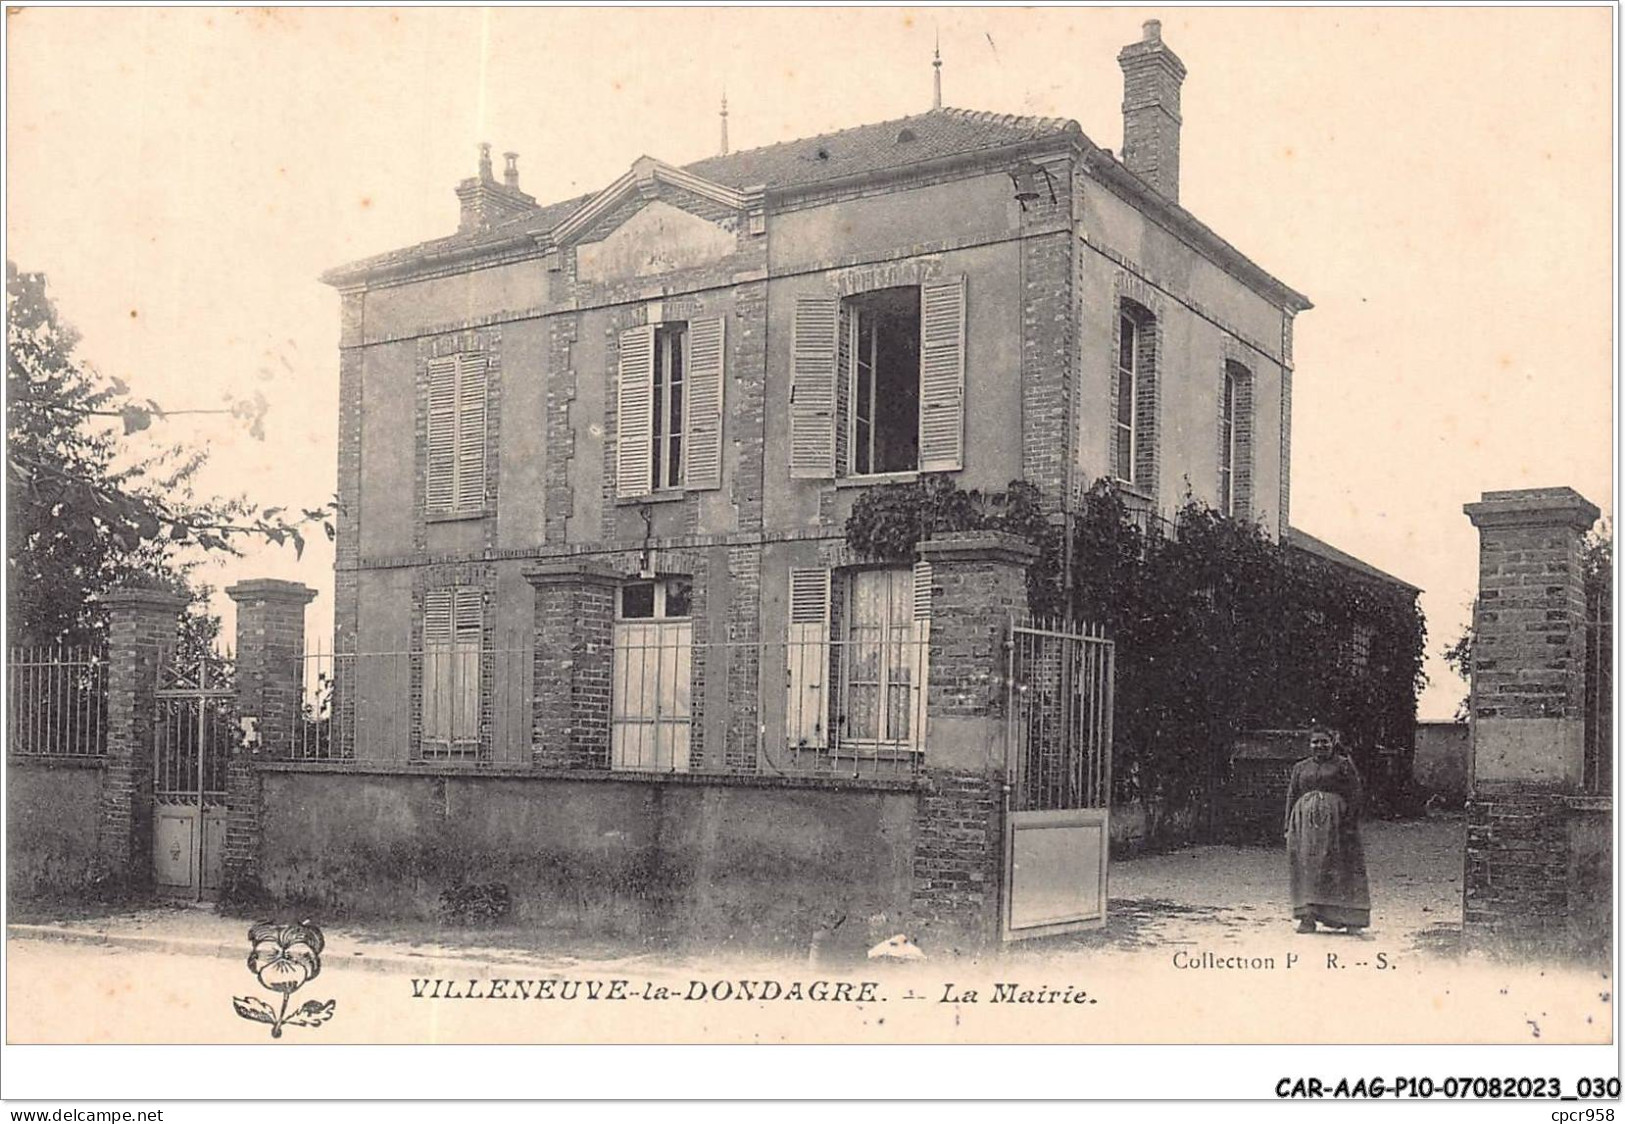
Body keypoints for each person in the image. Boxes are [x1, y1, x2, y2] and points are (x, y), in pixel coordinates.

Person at [1284, 727, 1371, 933]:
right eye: (1315, 742)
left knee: (1340, 866)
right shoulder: (1300, 767)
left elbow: (1355, 794)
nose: (1320, 746)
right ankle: (1307, 917)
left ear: (1333, 743)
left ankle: (1351, 919)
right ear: (1309, 744)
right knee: (1307, 867)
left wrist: (1349, 823)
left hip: (1337, 824)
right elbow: (1292, 795)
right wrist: (1288, 825)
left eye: (1324, 741)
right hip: (1304, 827)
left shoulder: (1344, 765)